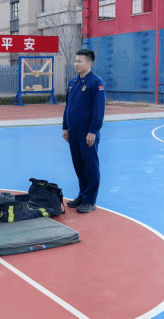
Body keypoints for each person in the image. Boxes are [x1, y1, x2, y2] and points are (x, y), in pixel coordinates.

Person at [62, 49, 106, 213]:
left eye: (79, 61)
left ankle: (90, 200)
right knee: (79, 165)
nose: (76, 64)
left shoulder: (96, 82)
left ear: (89, 63)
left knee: (90, 166)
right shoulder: (73, 83)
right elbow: (68, 107)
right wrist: (65, 127)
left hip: (87, 133)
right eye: (75, 61)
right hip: (73, 132)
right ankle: (82, 195)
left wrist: (93, 131)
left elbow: (99, 109)